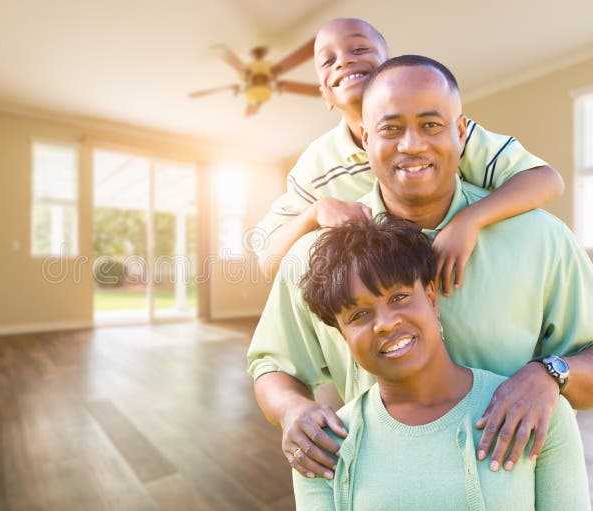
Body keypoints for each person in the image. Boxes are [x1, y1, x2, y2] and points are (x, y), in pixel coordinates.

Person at [247, 55, 593, 482]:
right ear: (365, 137)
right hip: (381, 488)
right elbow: (272, 365)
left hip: (514, 488)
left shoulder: (543, 239)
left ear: (461, 131)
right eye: (391, 129)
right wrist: (292, 410)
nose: (411, 144)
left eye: (431, 125)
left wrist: (550, 374)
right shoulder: (314, 257)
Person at [292, 216, 589, 510]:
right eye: (358, 315)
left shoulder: (535, 411)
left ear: (432, 298)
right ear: (343, 336)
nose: (385, 323)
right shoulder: (321, 447)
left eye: (399, 296)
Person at [254, 18, 564, 298]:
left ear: (390, 68)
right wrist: (315, 212)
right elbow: (268, 260)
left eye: (360, 49)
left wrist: (469, 220)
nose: (345, 61)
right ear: (324, 94)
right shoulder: (316, 166)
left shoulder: (448, 136)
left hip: (466, 287)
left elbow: (546, 179)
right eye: (329, 60)